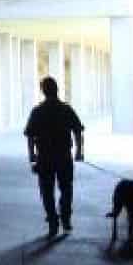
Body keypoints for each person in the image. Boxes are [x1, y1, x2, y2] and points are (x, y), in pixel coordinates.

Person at [23, 76, 85, 238]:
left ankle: (52, 222)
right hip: (64, 155)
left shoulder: (37, 111)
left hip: (45, 157)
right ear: (57, 90)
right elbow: (78, 130)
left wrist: (32, 155)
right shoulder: (66, 109)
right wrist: (79, 151)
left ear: (43, 91)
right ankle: (65, 218)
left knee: (47, 191)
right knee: (66, 188)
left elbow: (30, 135)